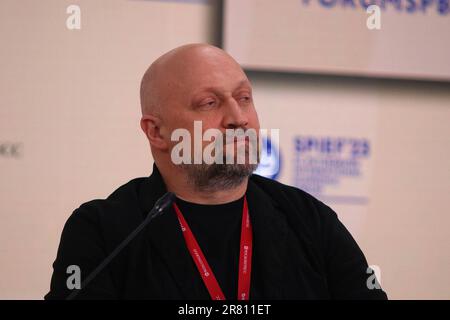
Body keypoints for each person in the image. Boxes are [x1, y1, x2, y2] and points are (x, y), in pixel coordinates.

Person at [45, 44, 387, 300]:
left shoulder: (311, 219)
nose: (238, 118)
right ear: (156, 132)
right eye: (209, 103)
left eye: (244, 98)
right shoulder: (102, 231)